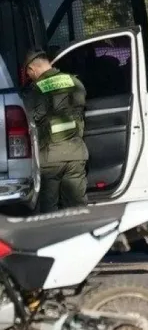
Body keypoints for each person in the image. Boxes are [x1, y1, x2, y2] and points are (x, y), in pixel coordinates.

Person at [23, 49, 88, 213]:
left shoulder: (36, 90)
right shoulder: (75, 82)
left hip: (50, 159)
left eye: (29, 74)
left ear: (32, 70)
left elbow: (28, 119)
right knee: (77, 208)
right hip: (76, 154)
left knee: (49, 213)